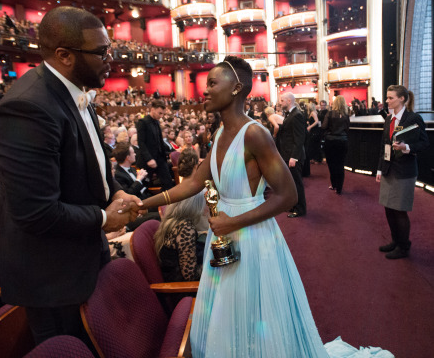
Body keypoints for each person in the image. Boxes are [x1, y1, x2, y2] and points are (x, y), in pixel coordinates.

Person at [135, 56, 393, 357]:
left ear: (236, 88)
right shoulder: (218, 135)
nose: (205, 90)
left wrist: (233, 222)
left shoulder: (255, 134)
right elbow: (193, 184)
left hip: (254, 240)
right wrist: (143, 204)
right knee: (228, 316)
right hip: (223, 241)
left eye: (212, 83)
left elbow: (288, 196)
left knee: (256, 317)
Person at [0, 7, 142, 347]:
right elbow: (36, 212)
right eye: (102, 52)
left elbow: (90, 163)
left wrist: (114, 192)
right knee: (71, 349)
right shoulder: (28, 108)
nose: (111, 59)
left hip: (82, 248)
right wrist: (104, 216)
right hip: (50, 272)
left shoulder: (77, 89)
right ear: (64, 56)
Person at [376, 85, 429, 259]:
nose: (387, 101)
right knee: (389, 209)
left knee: (399, 210)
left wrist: (407, 147)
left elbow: (424, 143)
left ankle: (404, 247)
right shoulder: (389, 119)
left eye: (391, 98)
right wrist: (379, 168)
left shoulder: (413, 118)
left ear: (402, 99)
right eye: (387, 97)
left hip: (404, 171)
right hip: (389, 169)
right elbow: (384, 145)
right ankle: (395, 241)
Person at [154, 149, 206, 283]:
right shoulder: (185, 229)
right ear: (194, 207)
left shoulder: (174, 220)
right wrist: (213, 267)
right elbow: (190, 275)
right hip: (182, 290)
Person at [278, 92, 307, 217]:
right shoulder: (291, 114)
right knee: (292, 184)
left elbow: (300, 139)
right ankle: (294, 206)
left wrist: (294, 157)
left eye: (282, 100)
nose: (280, 103)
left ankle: (300, 209)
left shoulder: (296, 115)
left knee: (297, 184)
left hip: (293, 156)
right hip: (288, 155)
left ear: (289, 101)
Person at [136, 99, 174, 190]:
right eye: (159, 113)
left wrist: (170, 152)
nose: (161, 116)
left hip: (159, 157)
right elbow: (141, 142)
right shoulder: (143, 122)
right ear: (152, 109)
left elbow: (159, 141)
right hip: (147, 159)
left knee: (168, 182)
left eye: (163, 114)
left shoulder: (157, 122)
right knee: (145, 185)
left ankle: (165, 202)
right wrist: (149, 159)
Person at [322, 96, 350, 195]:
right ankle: (339, 188)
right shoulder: (346, 115)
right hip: (342, 141)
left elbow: (324, 126)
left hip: (330, 141)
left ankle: (334, 184)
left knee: (331, 164)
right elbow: (347, 129)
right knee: (340, 164)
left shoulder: (329, 113)